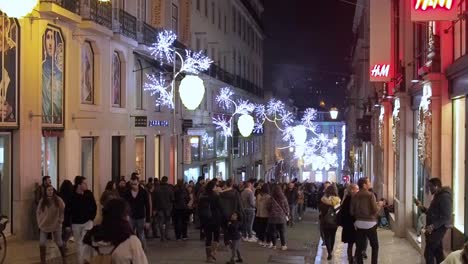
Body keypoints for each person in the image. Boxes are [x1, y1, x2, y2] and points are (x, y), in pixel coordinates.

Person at [82, 198, 149, 264]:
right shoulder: (131, 242)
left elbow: (85, 261)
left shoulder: (92, 238)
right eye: (127, 215)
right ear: (124, 217)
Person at [415, 177, 453, 264]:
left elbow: (446, 216)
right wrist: (421, 206)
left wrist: (433, 226)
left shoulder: (445, 197)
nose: (429, 189)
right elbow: (432, 212)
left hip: (439, 229)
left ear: (436, 186)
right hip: (435, 229)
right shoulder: (437, 196)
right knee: (438, 253)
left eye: (430, 186)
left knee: (428, 253)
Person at [351, 177, 382, 264]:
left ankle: (360, 262)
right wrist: (379, 205)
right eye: (368, 182)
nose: (370, 183)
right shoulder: (370, 195)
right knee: (375, 246)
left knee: (359, 246)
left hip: (359, 223)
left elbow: (351, 211)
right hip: (370, 223)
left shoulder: (355, 196)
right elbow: (375, 210)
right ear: (364, 185)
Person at [67, 176, 97, 264]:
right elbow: (68, 211)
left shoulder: (89, 194)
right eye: (84, 183)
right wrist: (67, 225)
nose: (86, 185)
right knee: (79, 244)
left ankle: (87, 260)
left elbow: (94, 206)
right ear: (79, 185)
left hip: (87, 222)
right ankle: (80, 261)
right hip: (76, 223)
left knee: (85, 241)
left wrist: (91, 218)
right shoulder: (72, 196)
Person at [36, 185, 66, 264]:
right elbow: (38, 212)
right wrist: (39, 221)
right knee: (42, 243)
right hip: (44, 224)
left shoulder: (58, 200)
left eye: (52, 190)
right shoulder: (42, 201)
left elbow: (62, 209)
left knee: (59, 242)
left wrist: (60, 220)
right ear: (45, 191)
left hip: (56, 224)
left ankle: (64, 258)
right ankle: (43, 261)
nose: (50, 191)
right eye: (49, 190)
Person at [122, 173, 151, 250]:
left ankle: (142, 249)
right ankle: (132, 249)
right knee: (130, 234)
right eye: (132, 184)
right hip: (130, 216)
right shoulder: (127, 192)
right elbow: (124, 204)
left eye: (135, 184)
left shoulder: (143, 192)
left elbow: (147, 206)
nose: (133, 186)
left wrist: (148, 220)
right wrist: (125, 215)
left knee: (141, 234)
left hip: (141, 216)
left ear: (138, 183)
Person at [199, 180, 223, 263]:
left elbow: (199, 209)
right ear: (213, 187)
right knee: (216, 237)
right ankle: (213, 252)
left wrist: (201, 219)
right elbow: (221, 207)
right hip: (215, 218)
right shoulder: (216, 196)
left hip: (206, 219)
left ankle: (208, 257)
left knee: (208, 238)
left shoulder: (202, 196)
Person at [220, 178, 244, 245]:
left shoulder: (221, 193)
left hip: (224, 214)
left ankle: (226, 242)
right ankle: (233, 242)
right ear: (232, 184)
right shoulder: (235, 192)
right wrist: (242, 213)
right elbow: (239, 203)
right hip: (234, 213)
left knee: (225, 229)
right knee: (233, 228)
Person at [319, 185, 341, 260]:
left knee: (327, 236)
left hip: (325, 221)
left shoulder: (323, 200)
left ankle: (329, 253)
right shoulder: (338, 200)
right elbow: (339, 212)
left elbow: (321, 209)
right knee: (333, 236)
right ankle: (331, 250)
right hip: (335, 222)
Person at [267, 185, 290, 250]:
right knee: (282, 232)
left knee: (273, 232)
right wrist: (287, 214)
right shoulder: (284, 198)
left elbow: (268, 207)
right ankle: (283, 245)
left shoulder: (271, 198)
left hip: (272, 218)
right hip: (281, 218)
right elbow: (287, 207)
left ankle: (274, 245)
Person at [341, 183, 359, 263]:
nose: (358, 191)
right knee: (353, 243)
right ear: (352, 190)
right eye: (357, 189)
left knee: (351, 244)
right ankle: (352, 259)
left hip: (349, 225)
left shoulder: (347, 199)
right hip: (351, 225)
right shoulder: (349, 200)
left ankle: (352, 259)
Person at [154, 176, 174, 241]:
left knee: (160, 222)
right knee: (168, 222)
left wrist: (155, 208)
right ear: (167, 180)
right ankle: (166, 234)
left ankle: (162, 236)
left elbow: (154, 199)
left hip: (159, 208)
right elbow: (172, 198)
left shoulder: (157, 189)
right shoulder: (169, 188)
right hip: (168, 208)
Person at [58, 180, 74, 247]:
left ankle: (62, 242)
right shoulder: (72, 195)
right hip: (68, 215)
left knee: (62, 230)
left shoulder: (59, 195)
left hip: (60, 215)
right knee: (68, 230)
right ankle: (64, 242)